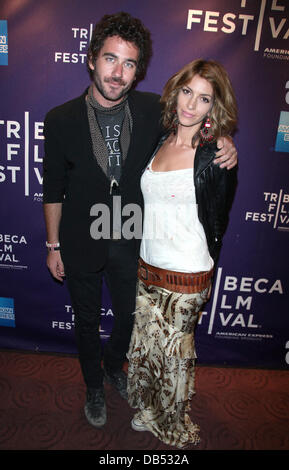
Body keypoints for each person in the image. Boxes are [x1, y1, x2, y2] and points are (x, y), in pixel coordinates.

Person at [43, 12, 238, 430]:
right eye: (111, 59)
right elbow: (53, 189)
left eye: (129, 64)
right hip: (81, 238)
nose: (118, 72)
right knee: (87, 319)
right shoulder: (60, 119)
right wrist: (53, 244)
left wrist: (223, 140)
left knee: (130, 319)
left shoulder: (153, 109)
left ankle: (115, 366)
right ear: (92, 59)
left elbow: (196, 122)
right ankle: (94, 385)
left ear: (138, 71)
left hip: (133, 237)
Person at [127, 59, 238, 448]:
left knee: (174, 355)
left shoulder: (215, 155)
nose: (191, 105)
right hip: (147, 265)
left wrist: (226, 143)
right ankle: (147, 408)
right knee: (147, 346)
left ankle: (171, 424)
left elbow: (217, 217)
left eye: (203, 98)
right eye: (187, 92)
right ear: (176, 92)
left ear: (213, 107)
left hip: (187, 274)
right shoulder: (160, 139)